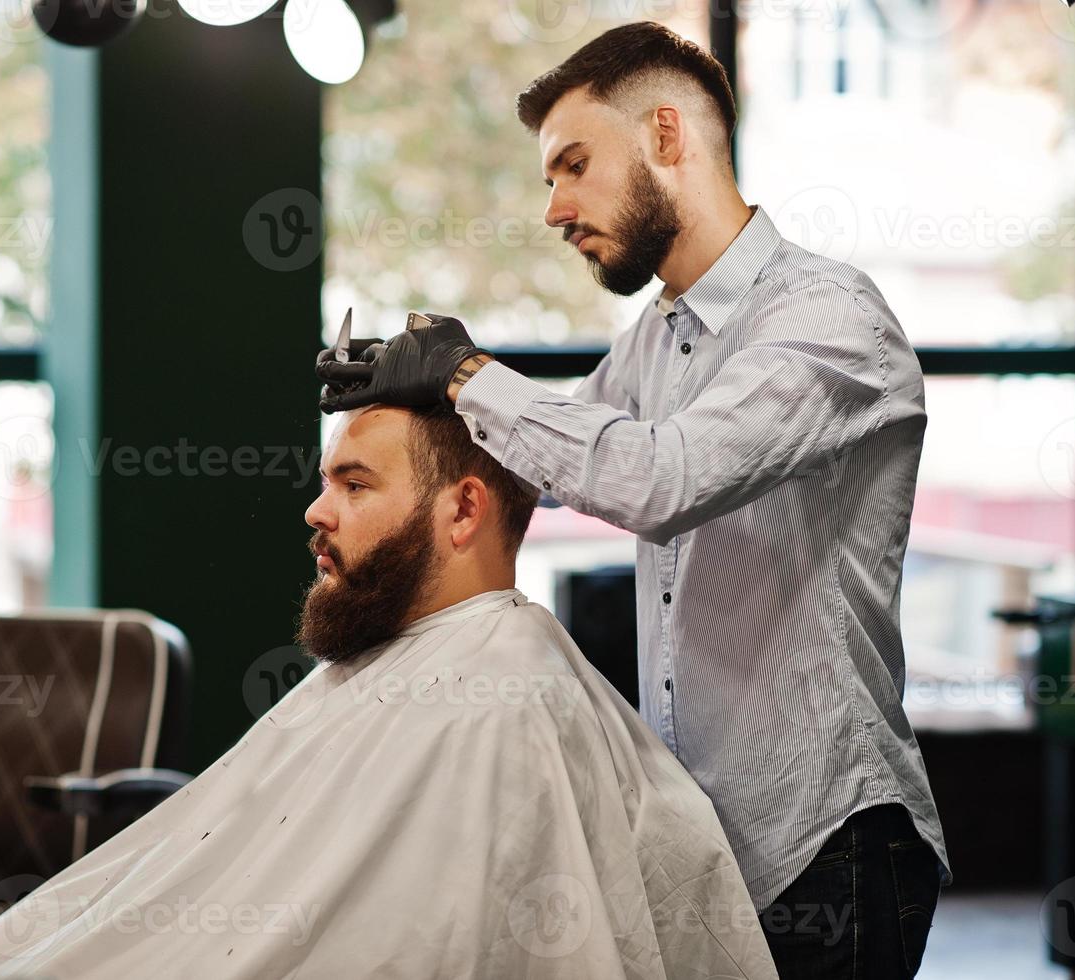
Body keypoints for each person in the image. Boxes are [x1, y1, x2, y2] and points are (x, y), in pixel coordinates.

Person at [315, 21, 949, 980]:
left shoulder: (830, 320)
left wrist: (466, 373)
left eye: (572, 165)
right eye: (547, 180)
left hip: (828, 842)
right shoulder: (655, 343)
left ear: (664, 135)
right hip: (700, 847)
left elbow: (657, 478)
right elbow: (547, 464)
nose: (554, 208)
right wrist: (408, 414)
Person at [0, 403, 777, 980]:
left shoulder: (501, 700)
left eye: (353, 483)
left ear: (464, 507)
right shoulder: (401, 665)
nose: (314, 509)